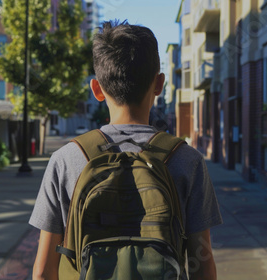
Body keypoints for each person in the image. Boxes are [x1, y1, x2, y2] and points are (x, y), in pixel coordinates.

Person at [29, 20, 222, 280]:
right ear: (159, 84)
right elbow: (203, 268)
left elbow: (42, 272)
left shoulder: (65, 160)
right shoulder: (188, 160)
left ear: (96, 89)